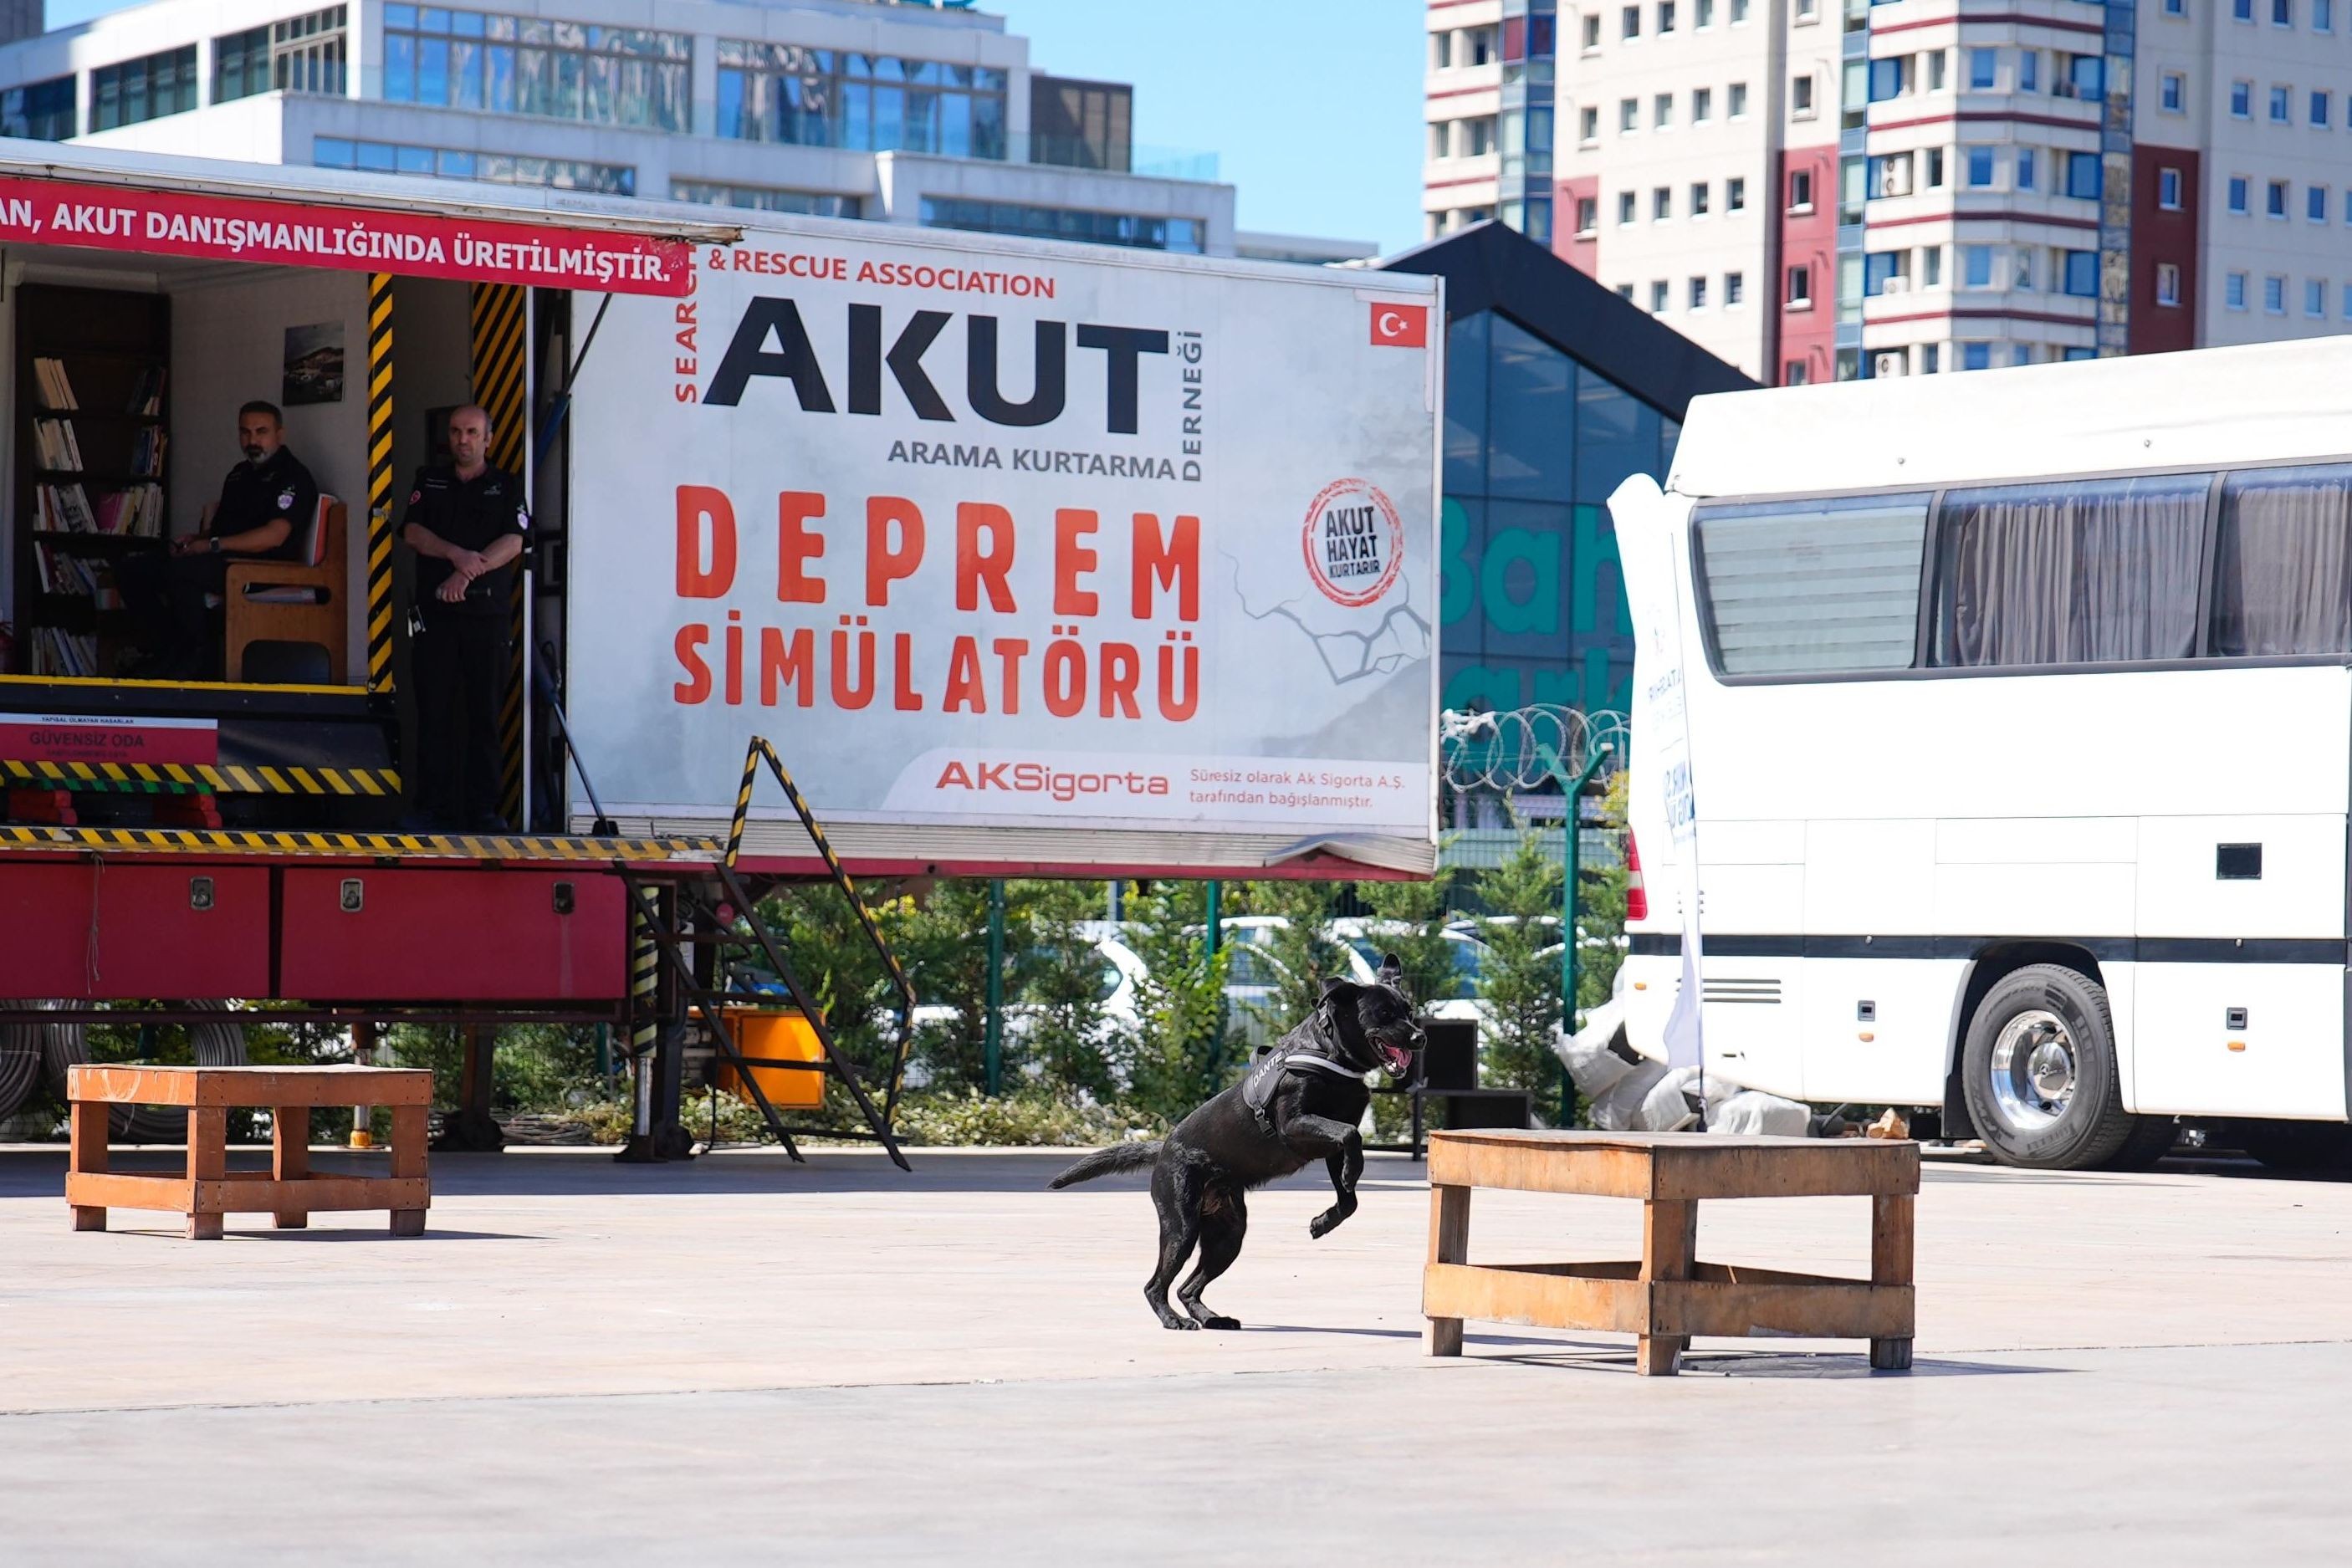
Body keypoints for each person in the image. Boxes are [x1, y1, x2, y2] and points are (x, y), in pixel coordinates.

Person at [398, 405, 527, 832]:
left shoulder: (506, 485)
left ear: (488, 438)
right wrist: (456, 555)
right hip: (436, 616)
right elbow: (412, 532)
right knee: (433, 713)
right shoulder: (429, 480)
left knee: (484, 716)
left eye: (472, 432)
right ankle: (431, 808)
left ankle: (484, 811)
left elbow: (514, 540)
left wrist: (467, 571)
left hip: (485, 618)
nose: (463, 440)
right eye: (456, 432)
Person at [120, 401, 318, 679]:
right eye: (245, 432)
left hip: (258, 565)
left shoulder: (292, 477)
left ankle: (198, 660)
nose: (253, 440)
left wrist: (212, 545)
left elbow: (274, 536)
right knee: (134, 569)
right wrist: (195, 540)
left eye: (261, 432)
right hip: (222, 556)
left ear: (279, 434)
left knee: (180, 573)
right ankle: (167, 649)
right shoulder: (239, 474)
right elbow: (220, 529)